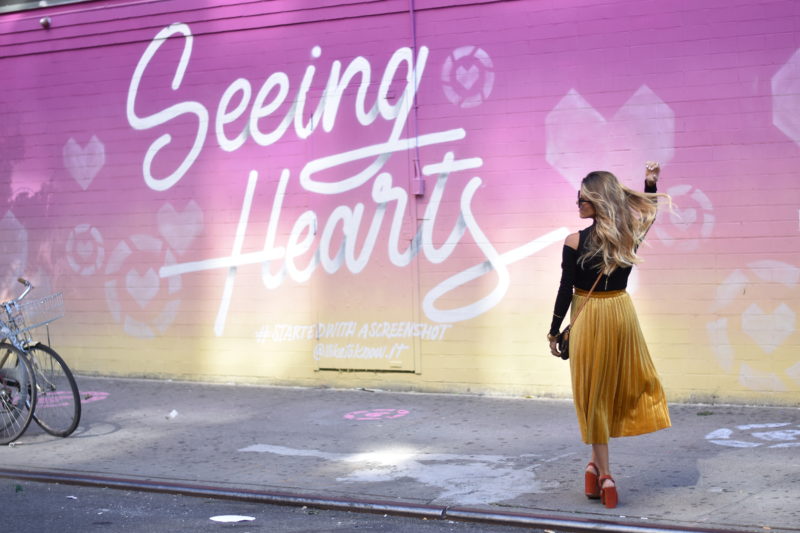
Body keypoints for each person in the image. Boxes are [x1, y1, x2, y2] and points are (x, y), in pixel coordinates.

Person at [547, 162, 672, 509]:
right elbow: (650, 214)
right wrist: (650, 184)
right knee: (605, 392)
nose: (577, 204)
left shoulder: (574, 241)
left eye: (583, 199)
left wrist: (554, 330)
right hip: (621, 314)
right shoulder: (628, 235)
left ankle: (605, 476)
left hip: (589, 317)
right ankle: (592, 468)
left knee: (593, 396)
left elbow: (565, 288)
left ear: (598, 200)